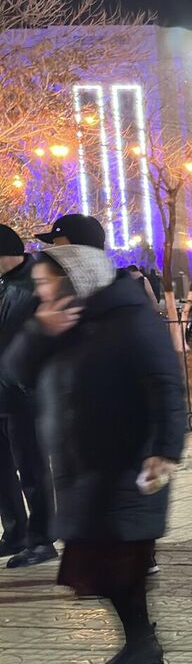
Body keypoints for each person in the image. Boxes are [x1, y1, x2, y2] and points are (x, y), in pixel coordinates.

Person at [2, 245, 185, 664]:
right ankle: (142, 642)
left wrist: (164, 449)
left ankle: (142, 644)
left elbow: (165, 386)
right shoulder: (64, 319)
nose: (40, 292)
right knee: (101, 564)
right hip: (82, 463)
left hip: (129, 462)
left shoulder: (130, 318)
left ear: (74, 281)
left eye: (45, 283)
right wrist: (40, 332)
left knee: (118, 561)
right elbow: (15, 374)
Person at [0, 225, 56, 568]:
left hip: (25, 395)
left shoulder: (37, 281)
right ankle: (15, 531)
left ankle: (42, 538)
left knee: (32, 469)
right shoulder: (5, 284)